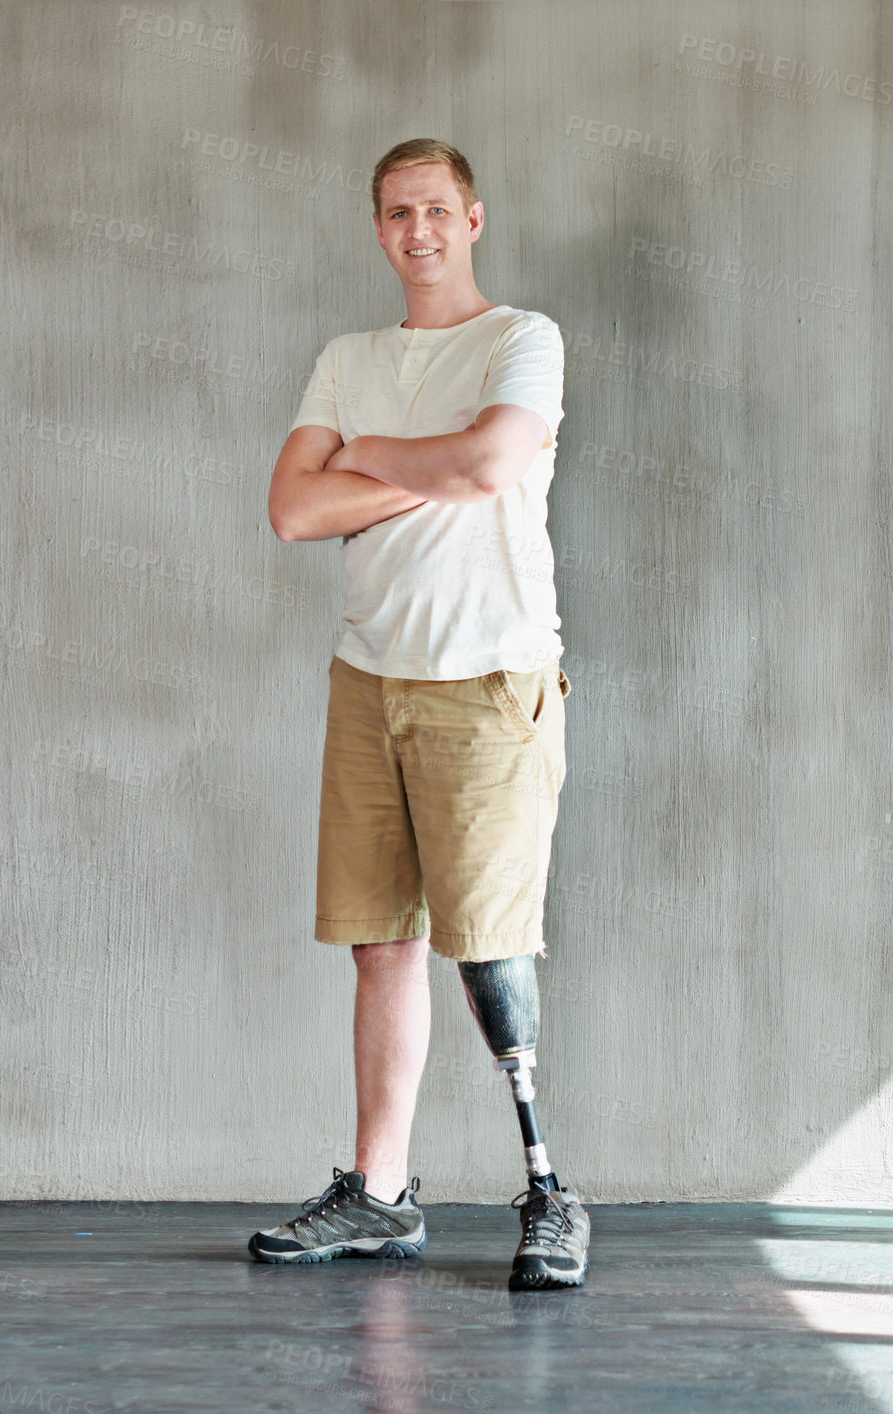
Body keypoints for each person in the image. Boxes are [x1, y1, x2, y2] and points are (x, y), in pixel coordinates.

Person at [248, 138, 589, 1290]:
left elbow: (496, 459)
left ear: (474, 218)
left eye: (437, 210)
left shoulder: (520, 340)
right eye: (397, 214)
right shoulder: (348, 356)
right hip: (371, 680)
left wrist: (380, 459)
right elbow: (295, 509)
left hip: (490, 680)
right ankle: (380, 1196)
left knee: (490, 946)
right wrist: (438, 466)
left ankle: (549, 1190)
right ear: (379, 227)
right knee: (382, 943)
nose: (419, 232)